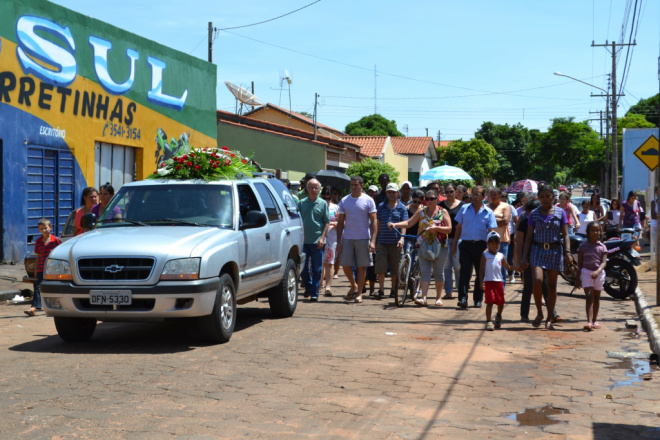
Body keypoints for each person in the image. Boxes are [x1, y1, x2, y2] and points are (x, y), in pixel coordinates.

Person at [521, 183, 572, 330]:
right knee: (537, 280)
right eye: (542, 196)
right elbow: (529, 237)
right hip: (537, 250)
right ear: (538, 197)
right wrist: (524, 257)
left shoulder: (560, 212)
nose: (545, 199)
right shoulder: (534, 214)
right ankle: (539, 313)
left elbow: (566, 234)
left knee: (551, 286)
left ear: (553, 197)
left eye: (548, 196)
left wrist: (567, 253)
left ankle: (550, 316)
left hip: (555, 251)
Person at [390, 189, 451, 307]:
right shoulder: (421, 211)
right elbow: (408, 223)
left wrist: (436, 228)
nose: (429, 201)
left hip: (440, 245)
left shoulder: (443, 212)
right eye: (427, 199)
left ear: (437, 199)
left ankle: (438, 298)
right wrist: (395, 224)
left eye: (432, 199)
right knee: (425, 272)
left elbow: (449, 228)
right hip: (423, 245)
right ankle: (423, 298)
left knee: (438, 272)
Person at [452, 186, 497, 309]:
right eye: (474, 194)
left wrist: (489, 248)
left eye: (478, 194)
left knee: (480, 273)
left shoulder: (489, 212)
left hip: (481, 246)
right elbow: (459, 227)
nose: (475, 197)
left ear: (483, 197)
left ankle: (478, 299)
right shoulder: (464, 209)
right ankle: (462, 298)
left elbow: (491, 231)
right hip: (465, 244)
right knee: (464, 272)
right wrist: (455, 244)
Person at [337, 176, 377, 303]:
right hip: (347, 237)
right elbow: (340, 222)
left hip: (363, 237)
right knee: (345, 264)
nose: (353, 187)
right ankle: (353, 285)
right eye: (352, 184)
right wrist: (339, 240)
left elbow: (374, 222)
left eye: (356, 184)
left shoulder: (368, 200)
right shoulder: (344, 201)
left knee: (361, 267)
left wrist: (373, 241)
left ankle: (359, 293)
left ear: (362, 185)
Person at [373, 183, 408, 298]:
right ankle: (381, 290)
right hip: (382, 241)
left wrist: (402, 239)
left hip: (396, 242)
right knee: (380, 267)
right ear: (386, 193)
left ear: (398, 193)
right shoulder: (381, 206)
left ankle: (393, 289)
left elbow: (404, 224)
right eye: (389, 192)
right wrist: (373, 240)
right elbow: (377, 225)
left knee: (395, 268)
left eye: (393, 192)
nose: (391, 194)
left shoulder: (402, 207)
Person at [298, 178, 330, 301]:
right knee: (303, 268)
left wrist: (322, 238)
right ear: (307, 189)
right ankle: (309, 286)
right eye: (311, 187)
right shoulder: (301, 203)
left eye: (316, 187)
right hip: (303, 241)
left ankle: (314, 292)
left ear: (319, 189)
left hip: (318, 241)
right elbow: (298, 221)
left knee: (317, 268)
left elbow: (327, 222)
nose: (313, 190)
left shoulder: (323, 204)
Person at [480, 231, 518, 331]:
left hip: (499, 282)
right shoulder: (485, 255)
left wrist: (517, 268)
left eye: (497, 243)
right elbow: (481, 269)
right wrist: (481, 281)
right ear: (487, 244)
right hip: (488, 282)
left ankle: (498, 316)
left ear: (500, 244)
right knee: (490, 302)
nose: (494, 245)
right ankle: (488, 321)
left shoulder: (501, 255)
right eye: (492, 243)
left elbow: (508, 267)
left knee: (500, 302)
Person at [25, 218, 62, 316]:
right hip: (41, 268)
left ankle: (57, 306)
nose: (43, 230)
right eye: (41, 229)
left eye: (45, 228)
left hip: (52, 270)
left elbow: (61, 254)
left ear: (50, 227)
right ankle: (33, 308)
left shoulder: (56, 241)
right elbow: (38, 256)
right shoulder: (38, 242)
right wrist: (36, 270)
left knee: (54, 287)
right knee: (37, 287)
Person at [576, 222, 608, 331]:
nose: (595, 232)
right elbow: (579, 263)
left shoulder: (602, 247)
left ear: (600, 232)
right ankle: (589, 322)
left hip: (599, 274)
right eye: (592, 230)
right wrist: (577, 278)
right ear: (588, 232)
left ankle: (595, 320)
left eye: (597, 230)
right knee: (589, 297)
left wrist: (598, 271)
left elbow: (603, 262)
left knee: (596, 297)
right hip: (586, 273)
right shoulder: (583, 246)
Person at [439, 183, 464, 299]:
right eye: (447, 191)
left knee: (458, 265)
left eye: (451, 191)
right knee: (446, 266)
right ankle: (448, 291)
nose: (449, 194)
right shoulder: (440, 206)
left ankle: (460, 288)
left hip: (458, 239)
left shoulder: (463, 206)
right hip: (444, 239)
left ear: (456, 192)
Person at [487, 187, 511, 288]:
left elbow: (505, 221)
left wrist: (491, 223)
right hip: (489, 240)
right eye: (491, 194)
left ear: (500, 195)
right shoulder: (486, 206)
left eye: (495, 194)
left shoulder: (506, 206)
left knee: (501, 265)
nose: (493, 196)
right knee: (489, 264)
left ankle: (502, 287)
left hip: (502, 240)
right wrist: (498, 222)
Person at [320, 186, 339, 296]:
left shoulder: (335, 208)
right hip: (320, 237)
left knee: (330, 263)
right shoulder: (318, 206)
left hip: (332, 237)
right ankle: (319, 284)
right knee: (320, 262)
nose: (327, 200)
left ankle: (328, 287)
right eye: (324, 197)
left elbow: (341, 223)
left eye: (329, 198)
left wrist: (334, 223)